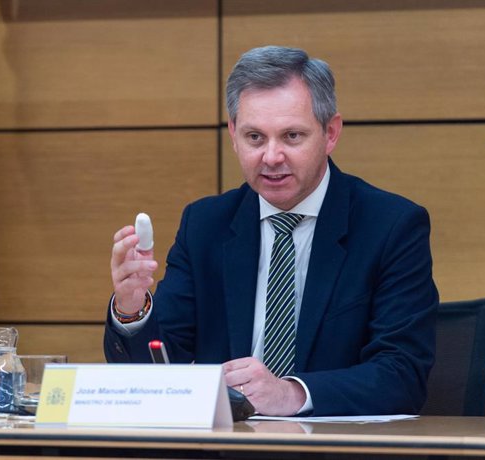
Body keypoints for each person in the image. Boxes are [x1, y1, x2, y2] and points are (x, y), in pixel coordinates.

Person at [104, 46, 438, 416]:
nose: (272, 156)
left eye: (292, 136)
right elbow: (160, 373)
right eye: (255, 138)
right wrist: (132, 309)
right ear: (233, 134)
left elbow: (401, 375)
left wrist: (291, 394)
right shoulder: (205, 225)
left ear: (330, 133)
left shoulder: (390, 225)